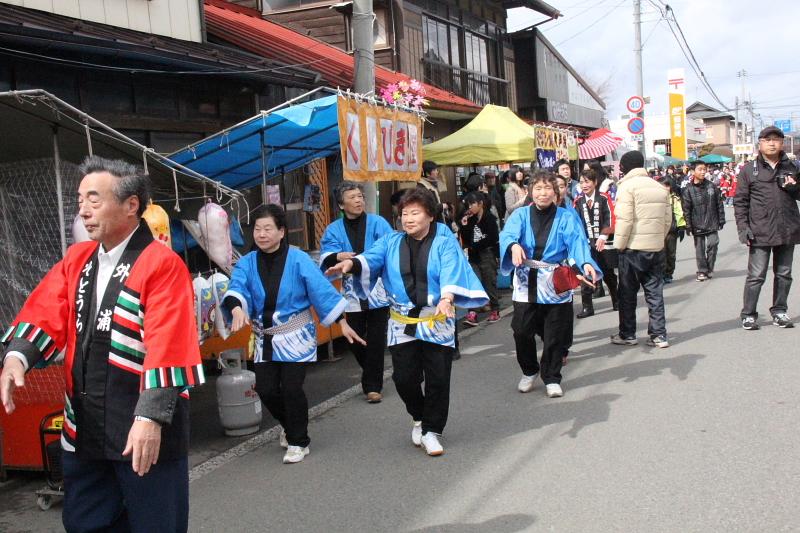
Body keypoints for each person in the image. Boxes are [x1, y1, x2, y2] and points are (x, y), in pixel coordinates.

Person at [0, 156, 203, 532]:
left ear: (131, 205)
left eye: (94, 199)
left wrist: (150, 419)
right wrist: (17, 356)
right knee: (85, 523)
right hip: (85, 425)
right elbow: (47, 309)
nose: (83, 210)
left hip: (141, 425)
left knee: (156, 525)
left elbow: (169, 344)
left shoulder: (162, 264)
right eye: (80, 201)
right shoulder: (77, 259)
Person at [325, 188, 488, 456]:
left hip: (436, 318)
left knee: (438, 378)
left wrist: (447, 298)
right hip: (402, 320)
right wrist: (351, 264)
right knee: (404, 378)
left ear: (430, 215)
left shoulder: (444, 240)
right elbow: (371, 257)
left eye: (415, 213)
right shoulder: (391, 241)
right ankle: (419, 416)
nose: (408, 219)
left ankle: (432, 431)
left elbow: (452, 269)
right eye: (404, 214)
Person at [224, 204, 364, 464]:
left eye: (268, 228)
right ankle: (290, 426)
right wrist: (236, 308)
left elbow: (320, 291)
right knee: (266, 389)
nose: (262, 234)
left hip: (297, 334)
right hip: (265, 336)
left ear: (281, 232)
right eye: (258, 229)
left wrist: (341, 323)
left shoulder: (299, 259)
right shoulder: (246, 263)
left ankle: (299, 441)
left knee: (291, 388)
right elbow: (236, 288)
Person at [499, 171, 600, 399]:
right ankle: (529, 370)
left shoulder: (566, 217)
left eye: (548, 189)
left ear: (556, 193)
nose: (543, 193)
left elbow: (577, 243)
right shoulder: (520, 215)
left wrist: (585, 264)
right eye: (538, 188)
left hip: (554, 279)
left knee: (555, 333)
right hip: (526, 279)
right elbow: (507, 235)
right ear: (530, 192)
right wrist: (513, 245)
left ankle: (552, 377)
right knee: (521, 330)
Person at [320, 181, 393, 404]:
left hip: (377, 287)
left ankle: (372, 386)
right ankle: (371, 372)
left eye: (360, 196)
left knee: (377, 338)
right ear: (341, 205)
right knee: (354, 336)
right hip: (351, 290)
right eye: (352, 197)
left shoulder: (378, 222)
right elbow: (326, 256)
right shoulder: (333, 229)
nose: (358, 200)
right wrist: (338, 256)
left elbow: (390, 247)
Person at [734, 126, 800, 330]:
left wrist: (794, 188)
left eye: (776, 139)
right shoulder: (748, 170)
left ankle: (779, 311)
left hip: (787, 229)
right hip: (760, 230)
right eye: (767, 139)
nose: (772, 143)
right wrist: (743, 228)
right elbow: (740, 201)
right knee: (756, 276)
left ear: (782, 143)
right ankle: (748, 314)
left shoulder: (792, 167)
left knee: (784, 274)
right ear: (760, 143)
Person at [611, 150, 672, 348]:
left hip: (632, 248)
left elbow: (625, 220)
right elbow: (667, 220)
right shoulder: (659, 187)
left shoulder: (626, 187)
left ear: (625, 167)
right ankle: (659, 335)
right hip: (655, 247)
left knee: (627, 294)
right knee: (655, 292)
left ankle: (628, 334)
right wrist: (658, 239)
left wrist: (619, 246)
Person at [574, 168, 618, 317]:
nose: (584, 185)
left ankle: (616, 300)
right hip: (586, 244)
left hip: (603, 243)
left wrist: (603, 235)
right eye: (581, 182)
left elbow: (610, 217)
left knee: (608, 273)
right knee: (585, 274)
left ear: (595, 182)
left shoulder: (604, 198)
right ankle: (587, 307)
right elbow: (576, 222)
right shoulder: (578, 201)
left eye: (587, 182)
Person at [459, 191, 501, 326]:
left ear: (480, 204)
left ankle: (495, 309)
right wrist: (464, 225)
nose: (470, 207)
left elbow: (493, 238)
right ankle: (472, 313)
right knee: (474, 283)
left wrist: (496, 256)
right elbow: (466, 240)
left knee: (489, 283)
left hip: (487, 254)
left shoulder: (489, 218)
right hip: (473, 256)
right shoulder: (469, 219)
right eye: (468, 204)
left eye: (472, 204)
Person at [681, 161, 725, 282]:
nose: (703, 172)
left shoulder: (712, 186)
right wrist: (688, 225)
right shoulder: (688, 190)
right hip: (696, 223)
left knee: (713, 244)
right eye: (700, 169)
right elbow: (686, 209)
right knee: (699, 249)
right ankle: (702, 270)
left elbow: (719, 203)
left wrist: (721, 219)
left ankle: (710, 268)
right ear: (692, 171)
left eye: (704, 169)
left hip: (712, 221)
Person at [657, 175, 687, 284]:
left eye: (667, 185)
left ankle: (668, 273)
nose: (665, 188)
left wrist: (682, 227)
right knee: (660, 254)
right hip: (659, 230)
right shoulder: (656, 198)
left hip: (672, 230)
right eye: (662, 185)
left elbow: (679, 213)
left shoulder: (675, 198)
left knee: (671, 254)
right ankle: (660, 274)